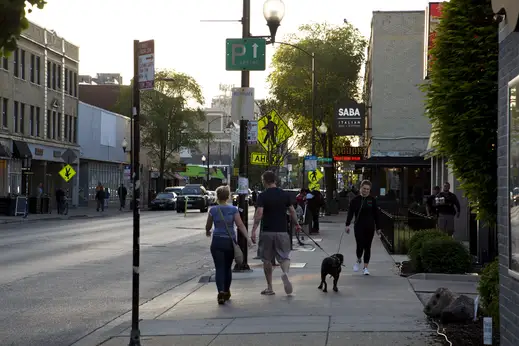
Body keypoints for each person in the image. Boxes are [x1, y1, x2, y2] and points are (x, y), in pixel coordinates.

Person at [251, 171, 300, 296]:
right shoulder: (284, 194)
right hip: (282, 231)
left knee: (266, 259)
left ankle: (270, 287)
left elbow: (259, 214)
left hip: (267, 231)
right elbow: (292, 211)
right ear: (275, 180)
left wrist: (253, 229)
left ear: (264, 181)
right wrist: (297, 224)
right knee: (284, 257)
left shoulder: (263, 196)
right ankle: (285, 273)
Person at [205, 185, 252, 305]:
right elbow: (240, 225)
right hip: (229, 242)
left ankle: (220, 291)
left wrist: (208, 231)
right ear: (228, 197)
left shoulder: (213, 210)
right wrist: (248, 238)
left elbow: (208, 226)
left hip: (217, 242)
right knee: (227, 268)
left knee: (219, 268)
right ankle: (226, 291)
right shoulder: (233, 209)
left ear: (217, 196)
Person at [345, 180, 381, 276]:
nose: (365, 191)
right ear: (360, 188)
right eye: (364, 189)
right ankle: (358, 259)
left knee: (367, 247)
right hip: (358, 226)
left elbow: (376, 215)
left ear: (370, 190)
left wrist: (378, 228)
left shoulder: (372, 200)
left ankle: (365, 267)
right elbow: (350, 213)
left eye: (367, 189)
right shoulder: (355, 200)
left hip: (369, 226)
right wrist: (347, 225)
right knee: (359, 245)